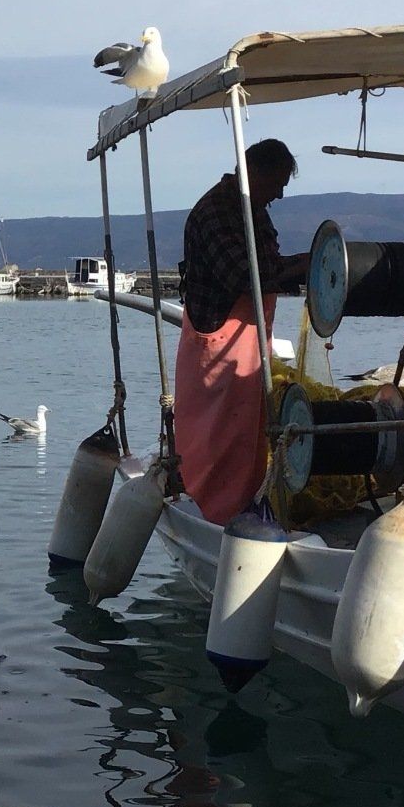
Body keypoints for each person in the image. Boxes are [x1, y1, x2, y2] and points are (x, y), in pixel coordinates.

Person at [174, 138, 309, 524]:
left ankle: (244, 507)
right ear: (256, 173)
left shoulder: (254, 209)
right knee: (214, 436)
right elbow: (241, 275)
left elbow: (264, 266)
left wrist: (299, 265)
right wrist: (301, 267)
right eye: (278, 183)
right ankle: (211, 512)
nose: (281, 194)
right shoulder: (217, 210)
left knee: (246, 436)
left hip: (248, 342)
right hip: (217, 343)